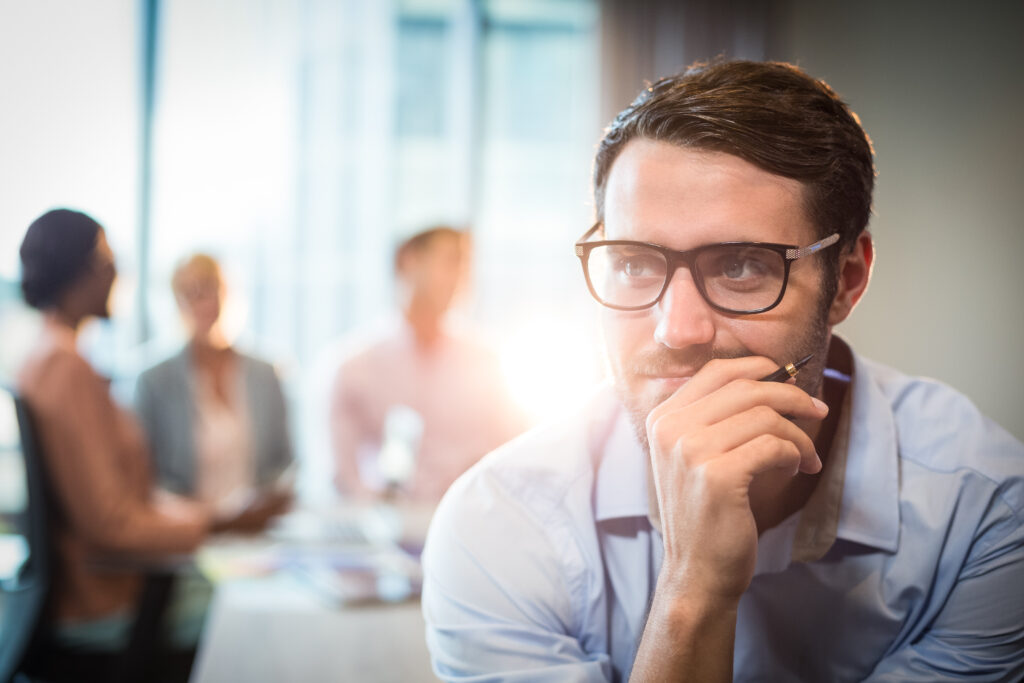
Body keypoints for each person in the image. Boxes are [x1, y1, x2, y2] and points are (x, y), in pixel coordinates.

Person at [421, 61, 1024, 681]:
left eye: (741, 266)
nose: (677, 330)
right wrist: (694, 590)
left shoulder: (984, 515)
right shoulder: (500, 525)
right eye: (633, 263)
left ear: (847, 280)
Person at [14, 209, 271, 652]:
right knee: (261, 618)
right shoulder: (65, 368)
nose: (117, 272)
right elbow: (110, 523)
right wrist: (217, 523)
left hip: (105, 589)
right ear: (78, 267)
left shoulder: (46, 356)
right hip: (107, 603)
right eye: (107, 260)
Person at [331, 225, 525, 502]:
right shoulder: (354, 370)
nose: (461, 278)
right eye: (450, 261)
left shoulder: (487, 365)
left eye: (465, 266)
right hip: (386, 528)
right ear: (408, 261)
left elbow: (511, 452)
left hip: (470, 520)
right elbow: (345, 478)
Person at [134, 253, 293, 519]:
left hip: (257, 531)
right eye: (191, 292)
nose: (204, 301)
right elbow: (147, 478)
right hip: (185, 533)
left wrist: (261, 505)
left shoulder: (267, 374)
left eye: (211, 288)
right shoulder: (154, 381)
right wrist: (208, 517)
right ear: (176, 301)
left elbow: (285, 465)